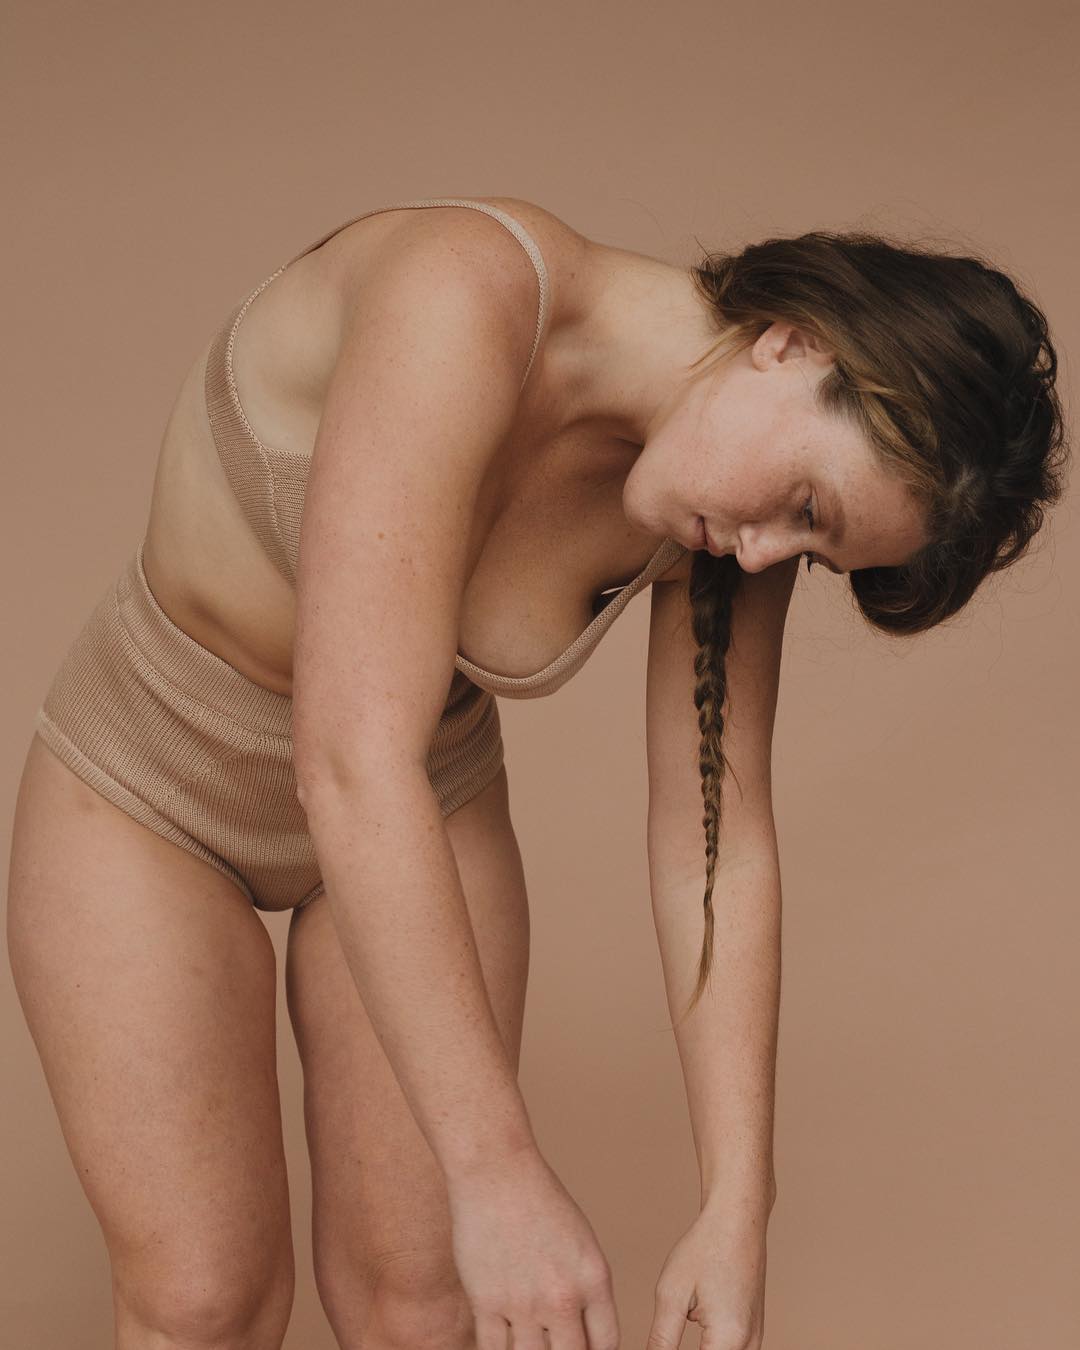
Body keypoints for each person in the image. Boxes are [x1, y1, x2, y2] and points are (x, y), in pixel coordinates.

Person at [6, 195, 1068, 1350]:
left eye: (817, 549)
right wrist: (497, 1167)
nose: (772, 551)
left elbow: (715, 847)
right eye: (808, 506)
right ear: (796, 341)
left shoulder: (727, 525)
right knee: (204, 1302)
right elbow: (350, 761)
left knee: (423, 1309)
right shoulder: (465, 295)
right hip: (155, 788)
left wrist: (738, 1205)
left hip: (424, 797)